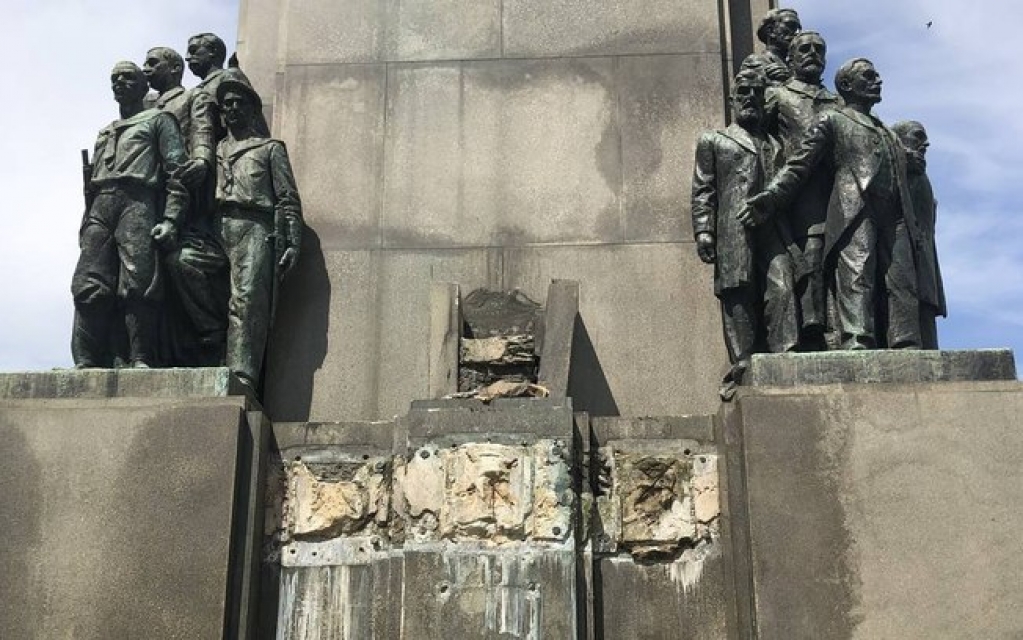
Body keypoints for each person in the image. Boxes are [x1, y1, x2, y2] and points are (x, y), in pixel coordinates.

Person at [746, 58, 922, 350]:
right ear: (847, 86)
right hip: (855, 206)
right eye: (869, 76)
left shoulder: (887, 131)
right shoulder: (832, 119)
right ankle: (857, 339)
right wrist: (773, 196)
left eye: (877, 75)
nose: (878, 80)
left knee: (901, 278)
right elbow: (800, 164)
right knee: (857, 273)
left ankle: (906, 341)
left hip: (895, 213)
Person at [71, 61, 189, 367]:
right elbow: (92, 184)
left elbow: (178, 173)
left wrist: (171, 218)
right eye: (114, 79)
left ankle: (140, 358)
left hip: (138, 201)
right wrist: (85, 221)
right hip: (102, 204)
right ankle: (85, 360)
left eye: (127, 78)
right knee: (87, 282)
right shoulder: (105, 132)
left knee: (139, 281)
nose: (119, 83)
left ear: (142, 86)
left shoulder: (159, 120)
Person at [691, 69, 799, 398]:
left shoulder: (776, 144)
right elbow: (703, 189)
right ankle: (743, 360)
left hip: (773, 228)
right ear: (733, 100)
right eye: (744, 93)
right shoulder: (714, 140)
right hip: (733, 228)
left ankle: (785, 356)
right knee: (738, 292)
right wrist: (704, 231)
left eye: (756, 92)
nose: (750, 98)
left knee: (782, 285)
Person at [215, 77, 303, 392]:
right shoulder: (215, 151)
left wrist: (292, 241)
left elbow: (288, 199)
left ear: (253, 109)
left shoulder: (269, 149)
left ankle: (241, 376)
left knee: (247, 299)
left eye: (240, 102)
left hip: (255, 227)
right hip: (216, 226)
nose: (233, 108)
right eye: (227, 104)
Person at [143, 46, 230, 365]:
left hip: (180, 193)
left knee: (181, 262)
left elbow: (202, 134)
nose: (145, 68)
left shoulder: (195, 97)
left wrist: (203, 161)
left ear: (175, 68)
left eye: (153, 63)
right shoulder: (143, 107)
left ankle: (211, 336)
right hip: (143, 198)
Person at [765, 31, 841, 350]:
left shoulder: (837, 101)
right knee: (809, 256)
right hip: (797, 192)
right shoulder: (778, 96)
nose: (812, 53)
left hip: (837, 191)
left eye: (819, 49)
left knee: (838, 257)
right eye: (804, 49)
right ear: (791, 58)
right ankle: (812, 331)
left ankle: (840, 331)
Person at [893, 120, 945, 349]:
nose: (924, 145)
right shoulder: (895, 176)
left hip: (924, 258)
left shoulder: (921, 179)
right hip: (901, 255)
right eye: (917, 137)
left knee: (925, 308)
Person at [740, 8, 802, 86]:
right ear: (771, 30)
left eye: (798, 29)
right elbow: (747, 93)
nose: (797, 33)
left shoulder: (795, 69)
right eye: (790, 26)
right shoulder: (756, 62)